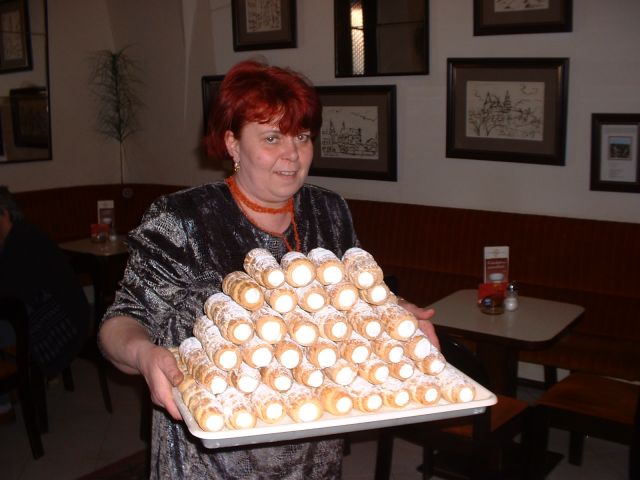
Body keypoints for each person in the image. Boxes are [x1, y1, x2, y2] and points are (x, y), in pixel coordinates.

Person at [98, 59, 438, 479]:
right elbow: (120, 323)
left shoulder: (329, 211)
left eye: (302, 137)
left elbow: (353, 300)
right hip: (214, 452)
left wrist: (394, 312)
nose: (292, 154)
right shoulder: (183, 219)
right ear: (232, 144)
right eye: (272, 137)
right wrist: (143, 354)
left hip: (314, 435)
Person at [0, 186, 90, 422]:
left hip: (64, 320)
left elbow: (13, 294)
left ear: (5, 214)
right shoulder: (16, 237)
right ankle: (14, 386)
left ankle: (5, 403)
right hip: (54, 310)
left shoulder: (23, 239)